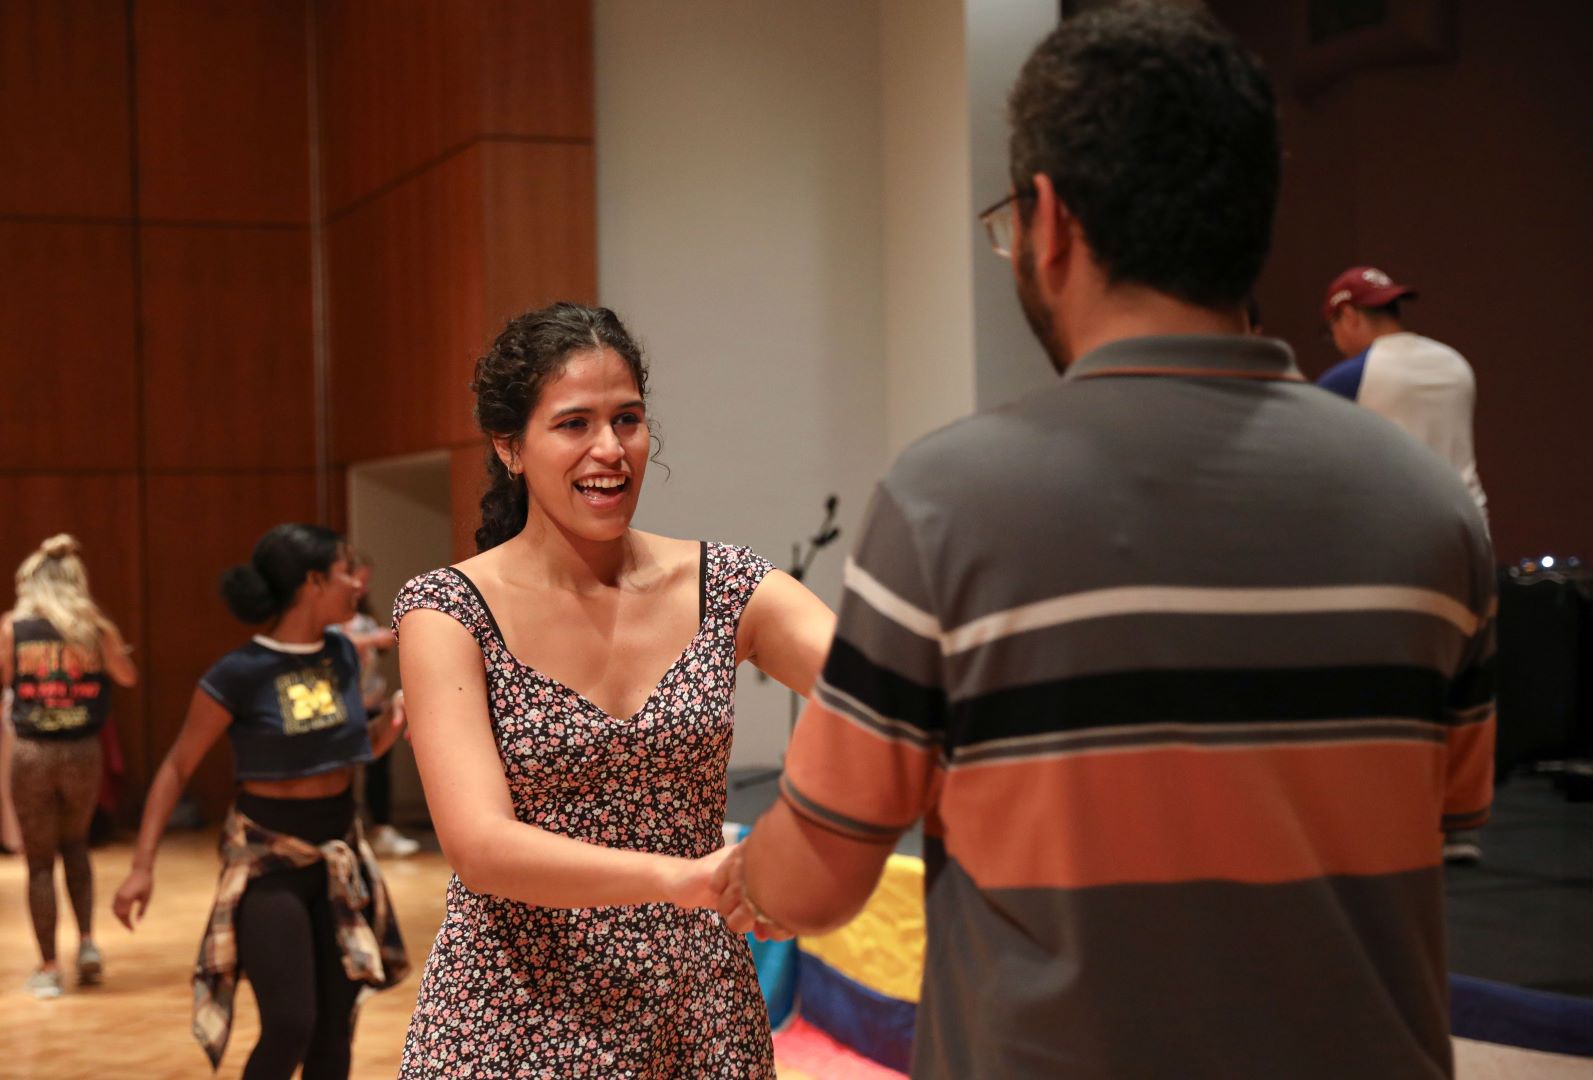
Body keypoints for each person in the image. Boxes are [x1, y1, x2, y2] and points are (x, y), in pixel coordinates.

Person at [715, 5, 1497, 1078]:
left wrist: (736, 869)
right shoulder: (1434, 513)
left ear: (1050, 220)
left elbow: (815, 883)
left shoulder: (946, 505)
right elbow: (1449, 811)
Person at [393, 301, 834, 1077]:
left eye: (626, 419)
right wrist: (684, 877)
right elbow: (480, 847)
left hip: (698, 1008)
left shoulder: (727, 584)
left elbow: (881, 700)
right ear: (510, 447)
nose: (610, 448)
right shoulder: (448, 610)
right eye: (573, 424)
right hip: (517, 1015)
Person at [112, 524, 410, 1079]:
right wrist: (141, 867)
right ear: (313, 581)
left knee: (335, 1024)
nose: (357, 583)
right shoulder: (240, 673)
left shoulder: (342, 652)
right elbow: (176, 766)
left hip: (339, 856)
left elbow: (352, 749)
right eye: (346, 571)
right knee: (291, 1023)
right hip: (269, 865)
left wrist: (395, 720)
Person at [1, 534, 138, 998]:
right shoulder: (94, 629)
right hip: (83, 750)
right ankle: (87, 945)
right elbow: (127, 677)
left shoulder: (12, 629)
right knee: (76, 845)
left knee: (40, 861)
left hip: (32, 752)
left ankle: (48, 967)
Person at [1318, 265, 1488, 524]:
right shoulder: (1455, 363)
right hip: (1472, 527)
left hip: (1402, 534)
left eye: (1332, 330)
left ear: (1349, 315)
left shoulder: (1349, 378)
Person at [334, 551, 419, 857]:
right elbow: (336, 646)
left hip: (372, 703)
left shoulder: (364, 619)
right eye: (355, 578)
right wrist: (372, 640)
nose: (361, 587)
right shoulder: (332, 627)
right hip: (342, 708)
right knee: (342, 768)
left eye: (366, 582)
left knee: (378, 769)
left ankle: (381, 829)